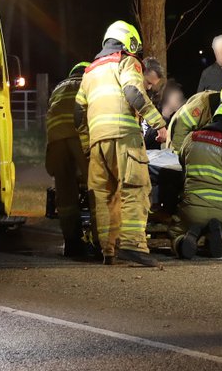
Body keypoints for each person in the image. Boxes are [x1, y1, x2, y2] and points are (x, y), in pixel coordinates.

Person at [76, 21, 169, 268]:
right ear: (129, 42)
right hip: (125, 138)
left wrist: (88, 144)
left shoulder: (90, 72)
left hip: (98, 143)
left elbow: (78, 112)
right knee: (134, 189)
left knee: (104, 197)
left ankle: (109, 251)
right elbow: (133, 93)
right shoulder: (126, 62)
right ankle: (133, 245)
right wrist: (158, 122)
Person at [172, 80, 222, 259]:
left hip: (192, 210)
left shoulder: (191, 138)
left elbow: (182, 163)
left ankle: (185, 239)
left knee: (175, 233)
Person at [44, 60, 100, 261]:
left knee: (65, 192)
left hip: (56, 139)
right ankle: (100, 242)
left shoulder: (59, 87)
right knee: (96, 186)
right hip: (80, 135)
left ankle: (72, 243)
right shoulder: (89, 82)